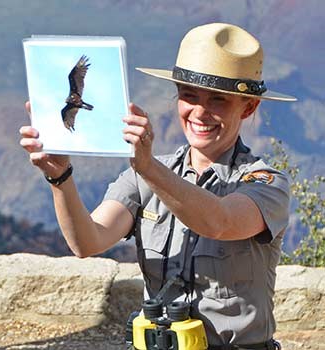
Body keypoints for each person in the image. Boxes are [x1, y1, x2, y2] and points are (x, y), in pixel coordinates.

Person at [20, 23, 296, 348]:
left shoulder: (265, 183)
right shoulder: (145, 175)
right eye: (188, 96)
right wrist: (60, 178)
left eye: (218, 100)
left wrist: (149, 167)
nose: (199, 112)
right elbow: (88, 241)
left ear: (248, 107)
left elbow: (219, 222)